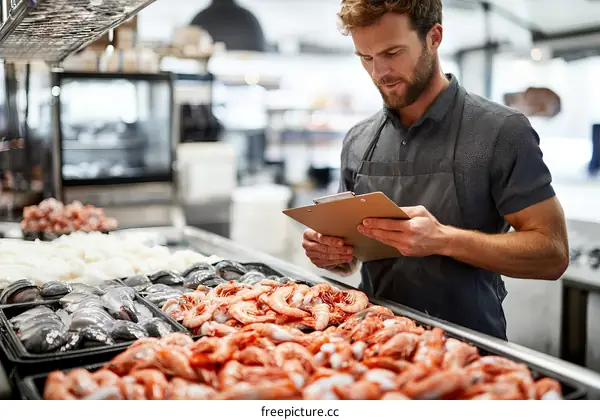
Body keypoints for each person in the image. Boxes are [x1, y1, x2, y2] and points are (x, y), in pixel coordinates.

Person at [301, 0, 569, 340]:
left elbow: (553, 254)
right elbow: (352, 258)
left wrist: (443, 239)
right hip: (370, 342)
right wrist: (332, 253)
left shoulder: (502, 131)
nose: (378, 72)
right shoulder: (358, 140)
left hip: (470, 347)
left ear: (434, 37)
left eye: (393, 52)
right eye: (366, 58)